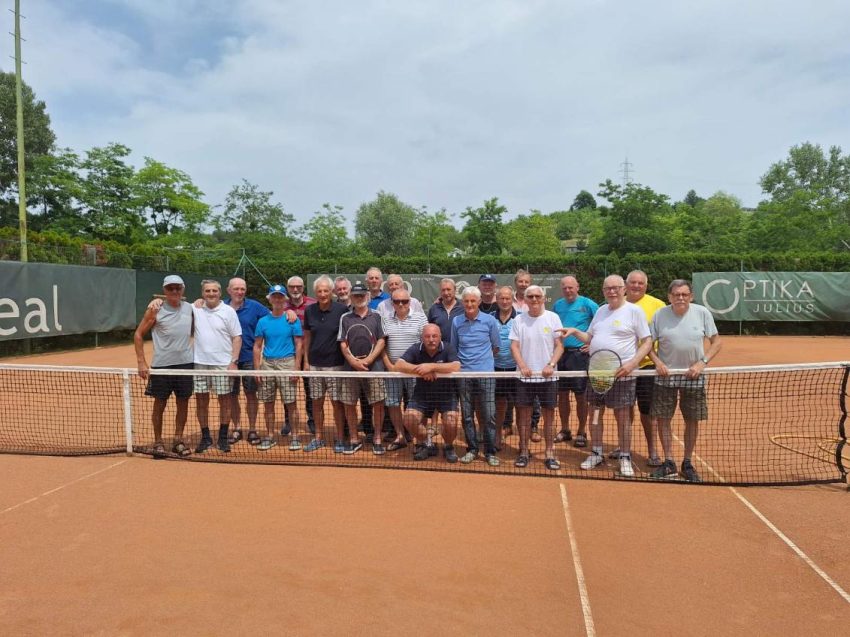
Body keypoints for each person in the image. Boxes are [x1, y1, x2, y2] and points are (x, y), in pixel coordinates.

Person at [559, 275, 653, 477]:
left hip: (622, 374)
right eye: (607, 288)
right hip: (597, 373)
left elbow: (647, 341)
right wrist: (575, 331)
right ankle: (596, 452)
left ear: (623, 289)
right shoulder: (601, 311)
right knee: (595, 415)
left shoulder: (634, 311)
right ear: (603, 291)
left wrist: (632, 364)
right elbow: (589, 338)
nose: (611, 291)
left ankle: (625, 456)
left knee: (622, 417)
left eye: (615, 287)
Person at [648, 279, 722, 482]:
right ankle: (669, 462)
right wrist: (657, 362)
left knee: (692, 419)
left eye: (684, 294)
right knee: (663, 419)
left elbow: (717, 342)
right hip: (666, 377)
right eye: (676, 294)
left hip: (694, 376)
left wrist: (702, 363)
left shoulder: (702, 313)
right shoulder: (660, 315)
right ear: (669, 296)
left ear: (691, 296)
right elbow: (647, 344)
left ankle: (687, 462)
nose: (680, 298)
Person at [134, 274, 194, 458]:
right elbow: (138, 335)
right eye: (170, 288)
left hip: (185, 364)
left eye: (178, 288)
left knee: (183, 403)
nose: (174, 291)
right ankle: (158, 442)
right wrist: (141, 362)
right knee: (159, 403)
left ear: (183, 289)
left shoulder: (191, 308)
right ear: (164, 290)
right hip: (161, 366)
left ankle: (178, 440)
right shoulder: (155, 310)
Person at [509, 285, 565, 470]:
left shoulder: (553, 318)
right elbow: (514, 346)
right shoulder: (518, 320)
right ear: (525, 299)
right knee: (524, 417)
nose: (534, 299)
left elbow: (559, 346)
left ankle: (549, 453)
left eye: (537, 296)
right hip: (524, 378)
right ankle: (524, 452)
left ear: (543, 298)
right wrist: (523, 366)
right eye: (530, 296)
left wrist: (551, 365)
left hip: (548, 378)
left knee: (549, 418)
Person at [616, 269, 666, 465]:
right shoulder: (616, 303)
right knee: (624, 410)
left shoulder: (658, 305)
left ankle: (653, 451)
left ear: (646, 285)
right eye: (633, 282)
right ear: (626, 284)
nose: (636, 286)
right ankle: (624, 447)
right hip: (623, 368)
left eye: (640, 283)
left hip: (647, 367)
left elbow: (664, 336)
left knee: (648, 412)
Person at [395, 324, 462, 463]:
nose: (431, 339)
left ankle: (448, 446)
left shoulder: (448, 347)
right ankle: (427, 443)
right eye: (427, 336)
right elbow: (399, 365)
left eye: (434, 336)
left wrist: (431, 366)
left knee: (451, 422)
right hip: (422, 395)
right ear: (422, 338)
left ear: (440, 337)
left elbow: (456, 366)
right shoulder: (416, 348)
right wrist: (421, 370)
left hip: (446, 395)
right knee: (408, 420)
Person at [451, 286, 501, 466]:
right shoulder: (456, 321)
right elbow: (454, 348)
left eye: (473, 301)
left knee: (489, 415)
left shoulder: (490, 321)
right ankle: (472, 449)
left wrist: (482, 362)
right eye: (466, 301)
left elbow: (496, 347)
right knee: (466, 415)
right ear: (462, 302)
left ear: (479, 302)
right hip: (464, 375)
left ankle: (490, 452)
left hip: (486, 374)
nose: (470, 304)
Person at [192, 279, 242, 454]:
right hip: (200, 363)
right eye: (207, 291)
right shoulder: (195, 308)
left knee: (225, 401)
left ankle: (222, 438)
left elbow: (237, 337)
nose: (211, 294)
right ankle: (206, 438)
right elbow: (176, 306)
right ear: (202, 293)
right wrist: (157, 302)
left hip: (222, 364)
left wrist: (233, 362)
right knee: (201, 401)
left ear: (220, 293)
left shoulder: (228, 311)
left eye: (214, 291)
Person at [337, 281, 387, 454]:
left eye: (362, 295)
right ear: (351, 298)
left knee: (378, 403)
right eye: (356, 295)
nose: (359, 298)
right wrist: (353, 362)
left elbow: (381, 340)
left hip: (375, 367)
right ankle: (353, 438)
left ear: (368, 296)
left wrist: (369, 359)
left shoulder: (377, 316)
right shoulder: (345, 318)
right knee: (349, 403)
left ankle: (377, 438)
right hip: (350, 368)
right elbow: (343, 343)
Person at [253, 285, 304, 450]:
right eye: (274, 296)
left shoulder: (292, 320)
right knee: (268, 403)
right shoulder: (262, 321)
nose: (277, 299)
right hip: (267, 364)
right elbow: (257, 346)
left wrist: (296, 367)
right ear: (269, 299)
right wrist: (257, 369)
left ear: (285, 299)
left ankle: (295, 436)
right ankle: (269, 436)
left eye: (280, 296)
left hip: (287, 363)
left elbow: (299, 344)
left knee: (291, 403)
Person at [302, 275, 349, 453]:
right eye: (319, 291)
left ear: (332, 292)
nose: (323, 294)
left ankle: (340, 438)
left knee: (337, 403)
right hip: (315, 365)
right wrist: (306, 361)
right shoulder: (309, 311)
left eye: (326, 291)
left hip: (335, 365)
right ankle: (318, 437)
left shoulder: (342, 310)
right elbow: (307, 337)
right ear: (315, 293)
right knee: (316, 402)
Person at [552, 275, 598, 448]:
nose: (568, 290)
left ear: (577, 287)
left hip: (580, 356)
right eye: (564, 287)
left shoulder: (588, 304)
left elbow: (601, 325)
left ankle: (581, 431)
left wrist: (592, 344)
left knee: (581, 396)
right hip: (561, 355)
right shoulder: (557, 305)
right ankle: (565, 429)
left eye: (571, 287)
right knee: (562, 395)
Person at [380, 287, 427, 454]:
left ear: (410, 302)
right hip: (392, 371)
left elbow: (425, 345)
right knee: (393, 403)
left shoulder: (420, 318)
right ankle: (400, 435)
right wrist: (389, 366)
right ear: (392, 303)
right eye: (397, 301)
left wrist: (417, 367)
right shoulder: (385, 319)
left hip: (414, 371)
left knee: (418, 404)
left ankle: (419, 439)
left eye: (405, 301)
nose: (401, 304)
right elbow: (382, 345)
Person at [223, 277, 270, 446]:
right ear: (229, 290)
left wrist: (289, 312)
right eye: (236, 288)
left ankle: (252, 429)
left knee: (251, 394)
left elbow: (274, 316)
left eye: (242, 289)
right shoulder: (221, 306)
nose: (239, 292)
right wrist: (199, 302)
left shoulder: (255, 306)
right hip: (227, 359)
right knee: (232, 395)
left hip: (249, 358)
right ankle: (237, 428)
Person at [281, 276, 317, 436]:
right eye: (292, 287)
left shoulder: (313, 304)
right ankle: (289, 421)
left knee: (311, 390)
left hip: (309, 354)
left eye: (299, 286)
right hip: (288, 354)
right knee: (288, 390)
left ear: (303, 287)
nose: (295, 289)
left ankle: (313, 420)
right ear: (288, 288)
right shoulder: (281, 305)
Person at [491, 286, 517, 450]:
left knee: (521, 405)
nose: (505, 301)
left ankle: (523, 441)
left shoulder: (520, 319)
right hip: (496, 368)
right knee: (500, 403)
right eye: (502, 298)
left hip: (517, 369)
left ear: (512, 300)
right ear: (497, 299)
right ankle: (498, 434)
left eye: (508, 298)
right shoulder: (489, 319)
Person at [427, 278, 464, 342]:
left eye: (448, 289)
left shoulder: (463, 307)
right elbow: (429, 330)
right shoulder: (434, 309)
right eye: (443, 290)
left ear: (455, 290)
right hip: (440, 347)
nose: (446, 293)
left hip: (460, 347)